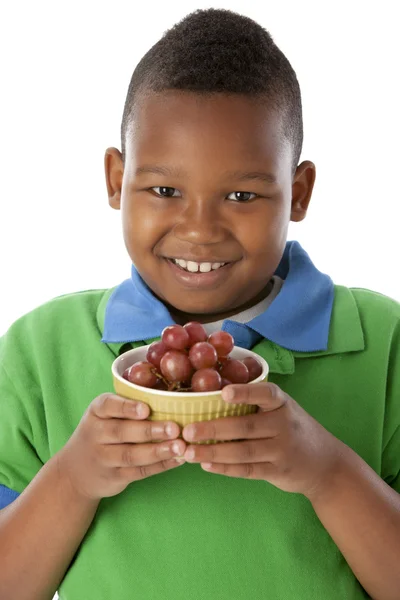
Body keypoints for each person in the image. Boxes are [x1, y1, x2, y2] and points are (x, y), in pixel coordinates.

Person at [0, 7, 399, 600]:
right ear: (115, 179)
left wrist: (329, 472)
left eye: (242, 194)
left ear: (299, 192)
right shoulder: (39, 353)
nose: (199, 230)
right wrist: (73, 480)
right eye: (164, 190)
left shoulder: (383, 342)